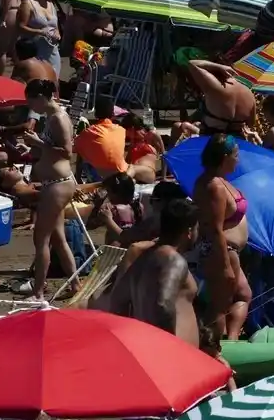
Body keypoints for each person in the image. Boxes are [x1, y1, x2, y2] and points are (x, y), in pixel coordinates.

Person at [103, 198, 201, 347]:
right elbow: (163, 304)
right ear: (188, 231)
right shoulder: (173, 260)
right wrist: (169, 346)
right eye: (196, 228)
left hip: (147, 346)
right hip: (174, 356)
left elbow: (117, 301)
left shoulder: (143, 257)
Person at [20, 79, 79, 299]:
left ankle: (38, 292)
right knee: (57, 238)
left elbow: (67, 151)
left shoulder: (59, 118)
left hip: (58, 184)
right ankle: (74, 285)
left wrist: (37, 143)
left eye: (31, 101)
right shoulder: (51, 117)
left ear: (43, 97)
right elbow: (50, 151)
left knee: (41, 237)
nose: (31, 107)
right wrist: (31, 147)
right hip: (53, 183)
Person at [193, 134, 252, 339]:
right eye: (236, 155)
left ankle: (229, 340)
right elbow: (214, 227)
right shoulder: (214, 186)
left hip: (227, 250)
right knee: (221, 303)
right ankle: (219, 344)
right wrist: (225, 263)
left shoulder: (220, 181)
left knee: (241, 296)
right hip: (221, 249)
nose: (238, 159)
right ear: (225, 157)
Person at [183, 59, 256, 137]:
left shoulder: (215, 86)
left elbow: (192, 63)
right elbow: (251, 124)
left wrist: (218, 67)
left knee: (181, 127)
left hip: (212, 140)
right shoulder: (249, 93)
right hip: (236, 141)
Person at [17, 0, 61, 79]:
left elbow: (56, 27)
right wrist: (39, 32)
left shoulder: (50, 4)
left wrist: (57, 34)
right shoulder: (28, 4)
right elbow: (20, 26)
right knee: (38, 79)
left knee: (54, 80)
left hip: (52, 50)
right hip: (35, 50)